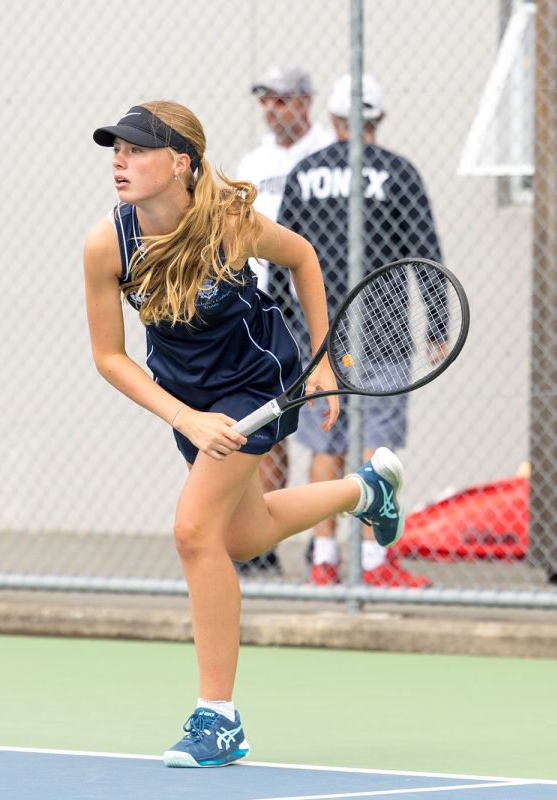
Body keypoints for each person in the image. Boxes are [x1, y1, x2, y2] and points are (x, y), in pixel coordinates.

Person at [84, 100, 407, 767]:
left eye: (137, 150)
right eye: (115, 150)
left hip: (258, 386)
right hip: (190, 403)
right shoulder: (106, 245)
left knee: (193, 532)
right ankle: (363, 490)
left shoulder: (230, 225)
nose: (121, 161)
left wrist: (322, 363)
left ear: (181, 163)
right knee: (242, 535)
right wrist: (185, 418)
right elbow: (110, 357)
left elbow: (304, 257)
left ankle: (218, 719)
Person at [270, 74, 445, 588]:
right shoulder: (399, 173)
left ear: (333, 120)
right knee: (378, 447)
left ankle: (323, 556)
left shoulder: (305, 173)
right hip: (385, 332)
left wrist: (283, 330)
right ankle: (372, 562)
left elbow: (283, 259)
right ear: (379, 120)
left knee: (326, 445)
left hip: (319, 338)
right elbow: (425, 252)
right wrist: (435, 324)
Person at [232, 66, 336, 577]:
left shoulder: (329, 153)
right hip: (262, 313)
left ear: (305, 102)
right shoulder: (254, 162)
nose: (273, 110)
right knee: (266, 431)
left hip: (313, 306)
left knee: (322, 433)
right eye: (266, 101)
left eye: (282, 100)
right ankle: (261, 544)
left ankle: (325, 551)